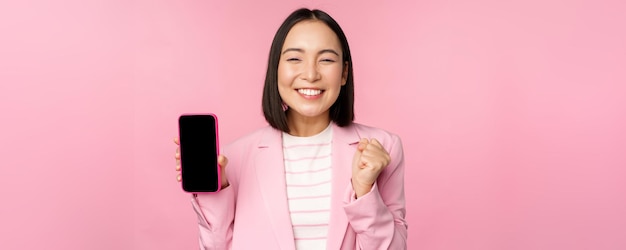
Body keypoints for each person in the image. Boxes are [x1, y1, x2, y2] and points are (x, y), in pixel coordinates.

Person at [174, 8, 407, 250]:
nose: (310, 74)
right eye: (295, 59)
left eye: (326, 59)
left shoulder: (383, 149)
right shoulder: (234, 158)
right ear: (276, 69)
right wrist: (217, 190)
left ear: (344, 73)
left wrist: (365, 192)